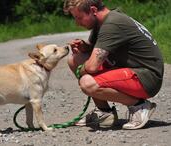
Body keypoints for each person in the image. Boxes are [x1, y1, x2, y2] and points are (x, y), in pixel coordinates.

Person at [63, 0, 164, 129]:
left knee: (87, 83)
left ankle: (139, 105)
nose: (77, 23)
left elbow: (92, 67)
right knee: (75, 59)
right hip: (131, 70)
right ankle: (104, 112)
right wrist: (86, 47)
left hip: (147, 77)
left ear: (93, 10)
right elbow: (99, 50)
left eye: (79, 17)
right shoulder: (103, 21)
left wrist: (81, 71)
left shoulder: (112, 24)